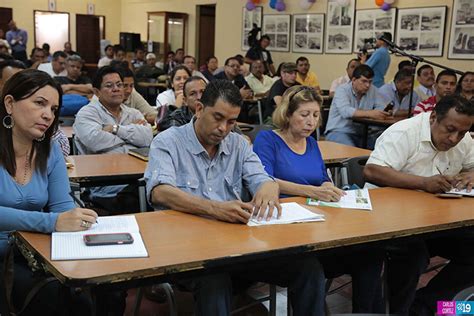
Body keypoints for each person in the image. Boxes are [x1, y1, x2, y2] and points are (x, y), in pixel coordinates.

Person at [144, 79, 326, 315]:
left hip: (239, 250)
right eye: (217, 118)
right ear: (199, 109)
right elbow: (160, 192)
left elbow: (262, 178)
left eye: (231, 121)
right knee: (214, 280)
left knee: (308, 267)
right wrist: (215, 209)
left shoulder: (238, 144)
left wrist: (268, 188)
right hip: (191, 253)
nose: (223, 128)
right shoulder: (167, 142)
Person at [253, 85, 384, 313]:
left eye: (315, 115)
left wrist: (327, 187)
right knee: (309, 268)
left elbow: (324, 178)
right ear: (287, 114)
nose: (311, 122)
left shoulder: (312, 143)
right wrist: (312, 191)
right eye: (304, 115)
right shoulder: (268, 140)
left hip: (317, 225)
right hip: (283, 230)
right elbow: (265, 179)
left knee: (369, 256)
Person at [363, 95, 474, 315]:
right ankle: (399, 310)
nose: (454, 138)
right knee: (413, 257)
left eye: (462, 133)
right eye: (450, 130)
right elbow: (372, 171)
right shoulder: (404, 133)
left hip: (437, 221)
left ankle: (424, 306)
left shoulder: (463, 138)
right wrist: (423, 183)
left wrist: (471, 175)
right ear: (433, 117)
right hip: (390, 222)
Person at [0, 69, 98, 315]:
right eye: (39, 103)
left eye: (54, 109)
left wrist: (76, 221)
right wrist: (53, 222)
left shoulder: (51, 151)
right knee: (58, 300)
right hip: (4, 255)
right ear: (10, 103)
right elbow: (55, 218)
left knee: (100, 290)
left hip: (35, 251)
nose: (48, 115)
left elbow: (61, 206)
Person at [73, 66, 153, 213]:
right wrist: (132, 136)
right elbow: (95, 140)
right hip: (104, 187)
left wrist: (116, 129)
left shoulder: (133, 113)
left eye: (119, 85)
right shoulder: (87, 113)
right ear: (97, 92)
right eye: (109, 86)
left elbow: (147, 139)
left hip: (138, 178)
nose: (116, 89)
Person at [325, 64, 389, 148]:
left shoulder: (373, 90)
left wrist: (382, 112)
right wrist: (371, 113)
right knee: (351, 152)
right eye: (364, 81)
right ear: (354, 80)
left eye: (370, 81)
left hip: (363, 134)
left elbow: (381, 107)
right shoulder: (342, 90)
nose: (367, 85)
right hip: (339, 131)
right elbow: (345, 111)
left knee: (382, 148)